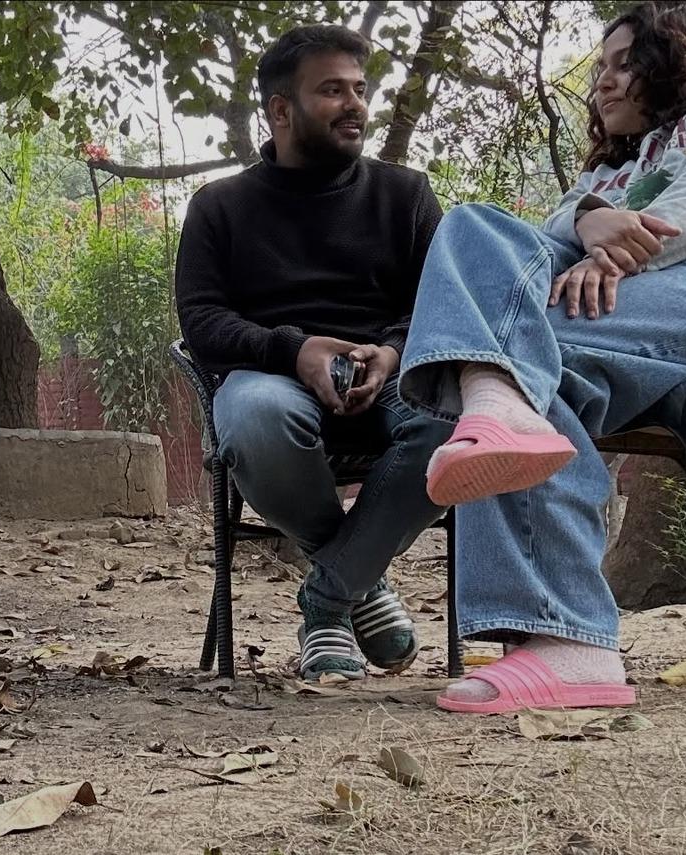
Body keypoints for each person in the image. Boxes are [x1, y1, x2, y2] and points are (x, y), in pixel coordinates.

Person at [397, 0, 686, 712]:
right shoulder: (621, 168)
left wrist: (618, 255)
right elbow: (546, 233)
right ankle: (572, 647)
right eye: (600, 73)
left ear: (678, 54)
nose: (606, 85)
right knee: (475, 229)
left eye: (626, 64)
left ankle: (495, 399)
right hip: (628, 321)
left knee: (503, 342)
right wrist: (591, 216)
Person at [174, 24, 452, 681]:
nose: (354, 103)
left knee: (459, 422)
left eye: (360, 89)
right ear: (279, 110)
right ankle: (364, 584)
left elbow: (443, 308)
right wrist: (293, 351)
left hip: (393, 380)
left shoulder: (406, 196)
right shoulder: (219, 207)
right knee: (253, 416)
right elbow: (202, 320)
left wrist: (392, 350)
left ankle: (328, 600)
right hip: (274, 378)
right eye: (332, 90)